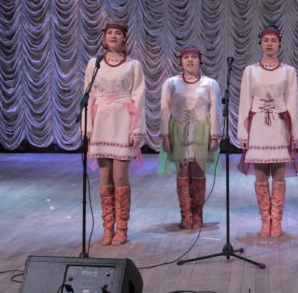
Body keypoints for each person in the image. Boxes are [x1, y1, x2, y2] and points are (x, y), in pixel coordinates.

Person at [84, 20, 146, 245]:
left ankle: (122, 229)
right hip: (101, 120)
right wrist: (87, 126)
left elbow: (139, 97)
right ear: (104, 38)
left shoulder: (133, 65)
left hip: (122, 120)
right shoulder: (95, 64)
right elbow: (89, 95)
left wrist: (137, 129)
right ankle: (107, 228)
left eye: (117, 33)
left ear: (124, 38)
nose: (113, 36)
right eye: (109, 33)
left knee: (120, 177)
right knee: (105, 176)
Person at [237, 26, 298, 238]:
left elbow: (292, 102)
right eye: (266, 40)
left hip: (280, 124)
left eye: (273, 40)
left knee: (279, 174)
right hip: (257, 125)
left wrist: (294, 133)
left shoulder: (288, 71)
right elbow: (244, 102)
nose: (270, 44)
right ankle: (265, 221)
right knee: (261, 174)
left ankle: (277, 221)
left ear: (280, 44)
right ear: (260, 43)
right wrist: (242, 133)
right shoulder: (250, 71)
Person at [158, 45, 221, 230]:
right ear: (181, 61)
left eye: (194, 57)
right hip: (178, 131)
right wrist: (165, 135)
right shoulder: (171, 83)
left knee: (198, 172)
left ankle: (197, 214)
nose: (190, 60)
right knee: (183, 173)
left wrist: (214, 136)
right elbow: (165, 110)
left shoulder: (210, 83)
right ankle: (185, 215)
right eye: (186, 57)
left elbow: (215, 110)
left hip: (201, 130)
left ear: (200, 60)